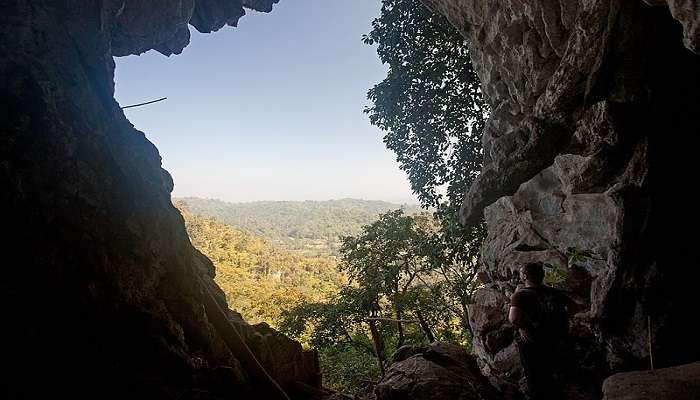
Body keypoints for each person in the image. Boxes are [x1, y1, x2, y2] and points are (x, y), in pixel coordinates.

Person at [509, 262, 571, 400]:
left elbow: (513, 318)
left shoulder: (520, 295)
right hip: (556, 341)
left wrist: (524, 328)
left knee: (535, 378)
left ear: (525, 276)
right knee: (553, 376)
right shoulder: (554, 292)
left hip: (533, 342)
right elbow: (572, 308)